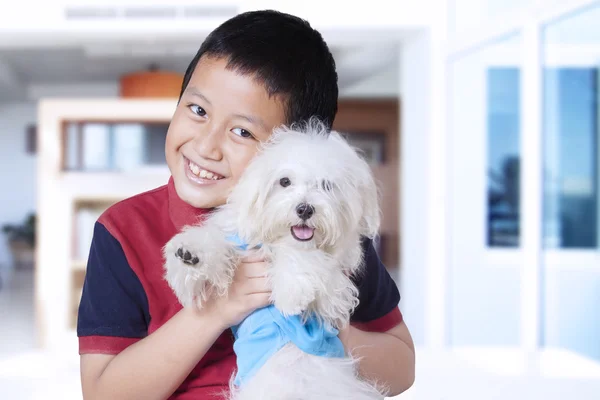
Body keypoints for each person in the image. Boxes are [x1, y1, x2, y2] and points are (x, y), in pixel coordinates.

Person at [77, 9, 415, 400]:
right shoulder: (123, 229)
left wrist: (327, 327)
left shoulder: (326, 231)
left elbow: (402, 369)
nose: (205, 146)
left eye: (242, 131)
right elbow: (102, 393)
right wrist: (218, 309)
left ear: (295, 147)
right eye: (198, 110)